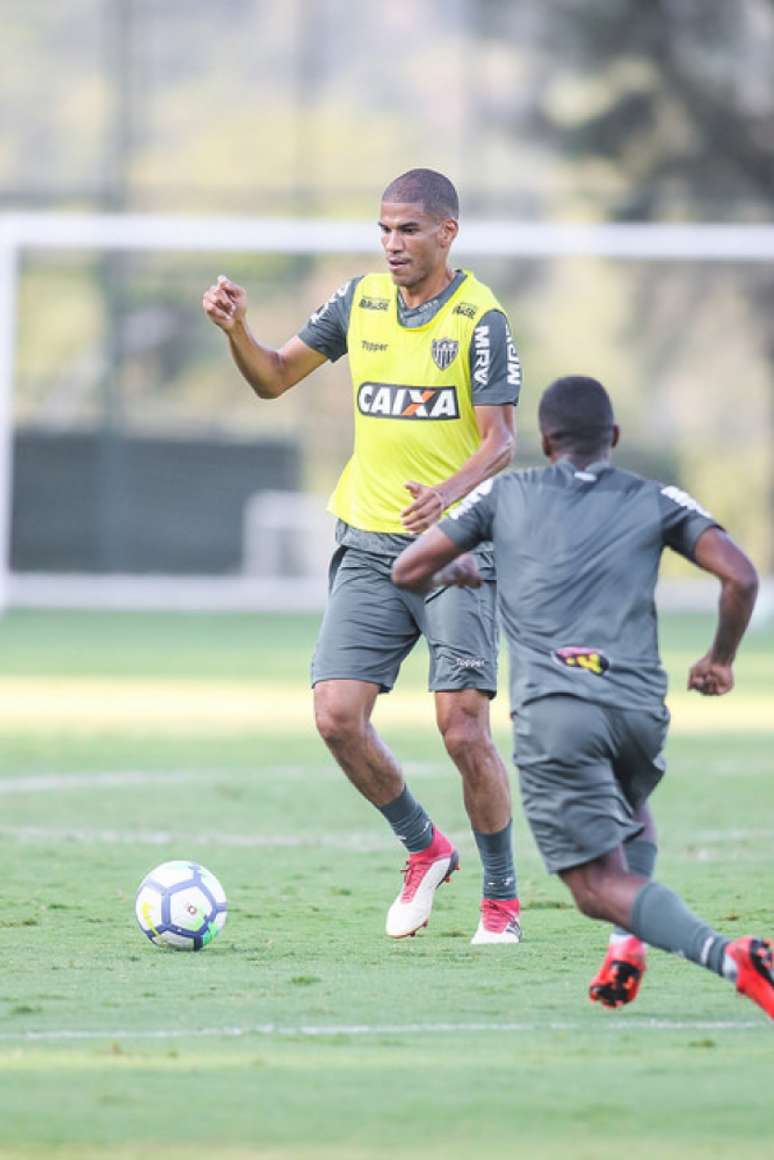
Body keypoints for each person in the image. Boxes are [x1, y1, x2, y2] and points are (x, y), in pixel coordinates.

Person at [202, 168, 524, 945]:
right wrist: (238, 332)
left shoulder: (482, 319)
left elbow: (503, 441)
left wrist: (446, 493)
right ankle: (424, 848)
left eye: (409, 229)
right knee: (336, 716)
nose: (392, 243)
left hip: (455, 553)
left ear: (447, 233)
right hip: (370, 543)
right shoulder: (360, 302)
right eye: (384, 228)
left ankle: (503, 898)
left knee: (463, 731)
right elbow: (275, 379)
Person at [391, 375, 774, 1019]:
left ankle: (729, 956)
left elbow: (407, 567)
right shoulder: (655, 497)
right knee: (632, 807)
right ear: (614, 439)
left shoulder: (506, 493)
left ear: (545, 441)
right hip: (639, 710)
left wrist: (456, 567)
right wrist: (718, 660)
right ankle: (629, 943)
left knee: (596, 885)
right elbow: (740, 576)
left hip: (556, 714)